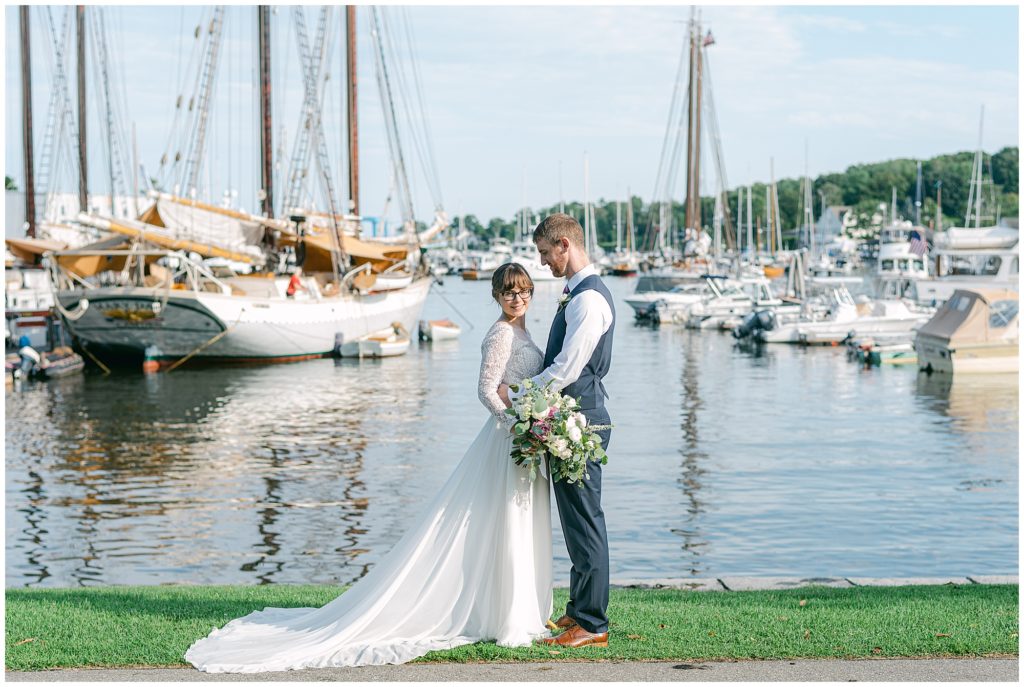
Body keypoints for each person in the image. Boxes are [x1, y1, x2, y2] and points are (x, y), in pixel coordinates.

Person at [185, 262, 551, 673]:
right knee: (499, 520)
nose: (516, 298)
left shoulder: (522, 331)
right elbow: (485, 389)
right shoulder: (501, 333)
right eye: (508, 292)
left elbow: (517, 384)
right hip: (509, 440)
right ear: (496, 296)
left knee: (512, 521)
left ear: (531, 293)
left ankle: (510, 606)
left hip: (523, 439)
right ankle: (503, 614)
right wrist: (516, 425)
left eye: (522, 291)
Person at [498, 212, 615, 649]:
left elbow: (567, 368)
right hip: (571, 419)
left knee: (586, 522)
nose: (544, 262)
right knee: (574, 521)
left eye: (546, 252)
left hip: (584, 420)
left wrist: (523, 394)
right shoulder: (577, 294)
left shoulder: (589, 300)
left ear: (565, 244)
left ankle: (594, 623)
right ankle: (578, 610)